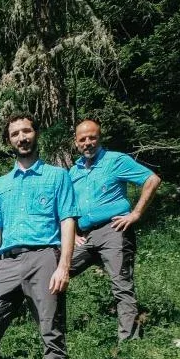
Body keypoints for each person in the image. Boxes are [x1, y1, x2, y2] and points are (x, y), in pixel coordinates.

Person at [0, 114, 78, 359]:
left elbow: (67, 221)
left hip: (44, 258)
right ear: (9, 141)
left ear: (36, 134)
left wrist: (63, 266)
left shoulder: (57, 176)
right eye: (15, 134)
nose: (22, 137)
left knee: (51, 331)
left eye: (26, 131)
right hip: (7, 263)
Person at [67, 118, 162, 341]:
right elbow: (67, 206)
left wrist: (136, 213)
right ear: (76, 142)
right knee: (58, 271)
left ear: (99, 138)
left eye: (92, 137)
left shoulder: (115, 161)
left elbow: (152, 180)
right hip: (85, 236)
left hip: (114, 230)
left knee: (121, 285)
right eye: (83, 139)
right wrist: (73, 234)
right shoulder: (74, 171)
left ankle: (129, 344)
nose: (88, 142)